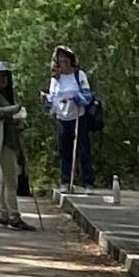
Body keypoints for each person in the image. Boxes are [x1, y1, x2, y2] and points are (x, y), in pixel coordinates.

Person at [43, 44, 94, 190]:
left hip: (79, 116)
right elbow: (52, 99)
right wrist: (46, 99)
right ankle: (66, 181)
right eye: (60, 57)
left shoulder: (79, 75)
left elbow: (87, 96)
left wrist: (75, 98)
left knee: (83, 150)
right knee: (64, 150)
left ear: (71, 59)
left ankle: (88, 182)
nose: (63, 59)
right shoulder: (55, 79)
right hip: (62, 118)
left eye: (65, 57)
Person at [0, 61, 34, 231]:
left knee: (4, 180)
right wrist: (13, 110)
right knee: (12, 181)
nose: (2, 79)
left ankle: (4, 213)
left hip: (8, 140)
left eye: (4, 76)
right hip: (2, 142)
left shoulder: (5, 95)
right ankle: (14, 216)